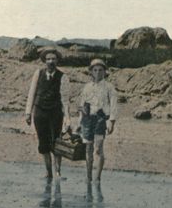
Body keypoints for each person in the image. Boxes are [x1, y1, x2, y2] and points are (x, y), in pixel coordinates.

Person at [25, 48, 72, 179]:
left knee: (56, 142)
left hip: (55, 113)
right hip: (40, 112)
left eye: (53, 59)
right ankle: (48, 172)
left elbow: (65, 100)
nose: (51, 61)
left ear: (57, 60)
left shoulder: (63, 77)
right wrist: (28, 113)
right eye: (48, 59)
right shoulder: (38, 73)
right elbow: (32, 93)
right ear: (45, 61)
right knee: (43, 143)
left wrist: (67, 119)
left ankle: (57, 172)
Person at [78, 58, 118, 183]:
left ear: (105, 72)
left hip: (101, 119)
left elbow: (114, 106)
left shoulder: (109, 87)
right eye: (95, 70)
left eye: (100, 70)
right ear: (91, 72)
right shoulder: (87, 87)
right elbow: (82, 105)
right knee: (88, 148)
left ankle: (98, 177)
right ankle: (88, 176)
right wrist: (79, 122)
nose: (98, 73)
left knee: (98, 148)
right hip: (87, 119)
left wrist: (111, 122)